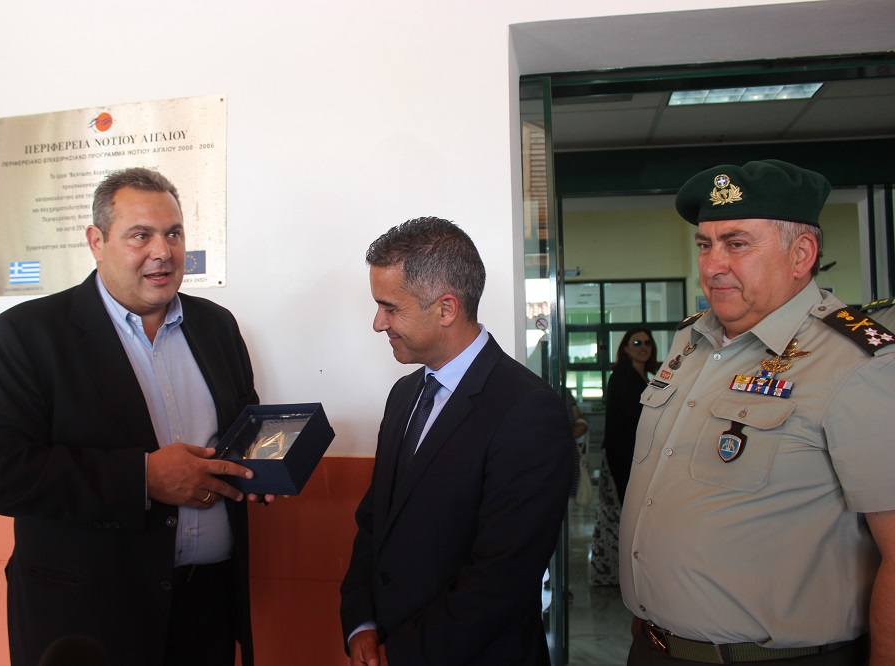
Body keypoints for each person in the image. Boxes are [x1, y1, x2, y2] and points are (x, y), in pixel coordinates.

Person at [0, 167, 264, 666]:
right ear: (96, 242)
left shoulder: (217, 326)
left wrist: (260, 469)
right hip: (89, 622)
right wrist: (142, 477)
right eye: (140, 235)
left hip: (206, 610)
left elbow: (240, 432)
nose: (163, 251)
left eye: (173, 233)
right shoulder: (30, 334)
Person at [619, 159, 895, 664]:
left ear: (801, 254)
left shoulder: (857, 362)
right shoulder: (691, 340)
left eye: (737, 244)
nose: (712, 265)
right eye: (705, 245)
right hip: (657, 646)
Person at [340, 217, 574, 665]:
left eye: (390, 308)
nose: (377, 323)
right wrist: (361, 624)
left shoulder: (527, 409)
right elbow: (374, 524)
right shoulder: (404, 395)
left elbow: (501, 577)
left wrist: (399, 655)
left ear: (446, 309)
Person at [602, 328, 659, 503]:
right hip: (624, 452)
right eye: (636, 343)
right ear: (626, 349)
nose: (643, 347)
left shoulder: (642, 376)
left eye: (647, 343)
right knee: (630, 503)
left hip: (636, 450)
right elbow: (635, 412)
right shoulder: (623, 374)